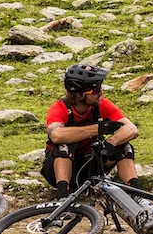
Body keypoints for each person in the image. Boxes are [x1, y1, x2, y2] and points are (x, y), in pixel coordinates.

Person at [42, 63, 141, 199]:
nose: (100, 93)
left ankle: (136, 193)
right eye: (95, 90)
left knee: (124, 146)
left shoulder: (102, 105)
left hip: (92, 165)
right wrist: (97, 129)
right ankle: (63, 195)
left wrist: (111, 142)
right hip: (58, 169)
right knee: (63, 147)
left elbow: (132, 129)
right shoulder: (60, 108)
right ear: (79, 94)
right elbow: (56, 135)